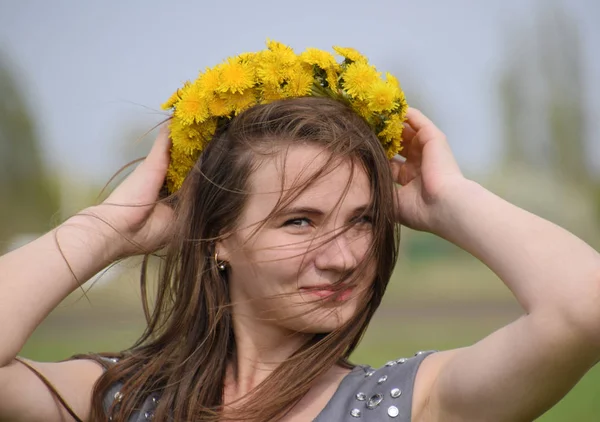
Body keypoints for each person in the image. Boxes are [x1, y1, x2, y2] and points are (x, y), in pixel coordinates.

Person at [0, 41, 599, 422]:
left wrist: (449, 198)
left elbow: (583, 307)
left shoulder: (415, 403)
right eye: (299, 221)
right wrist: (112, 226)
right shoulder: (117, 400)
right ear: (217, 239)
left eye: (363, 220)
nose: (343, 258)